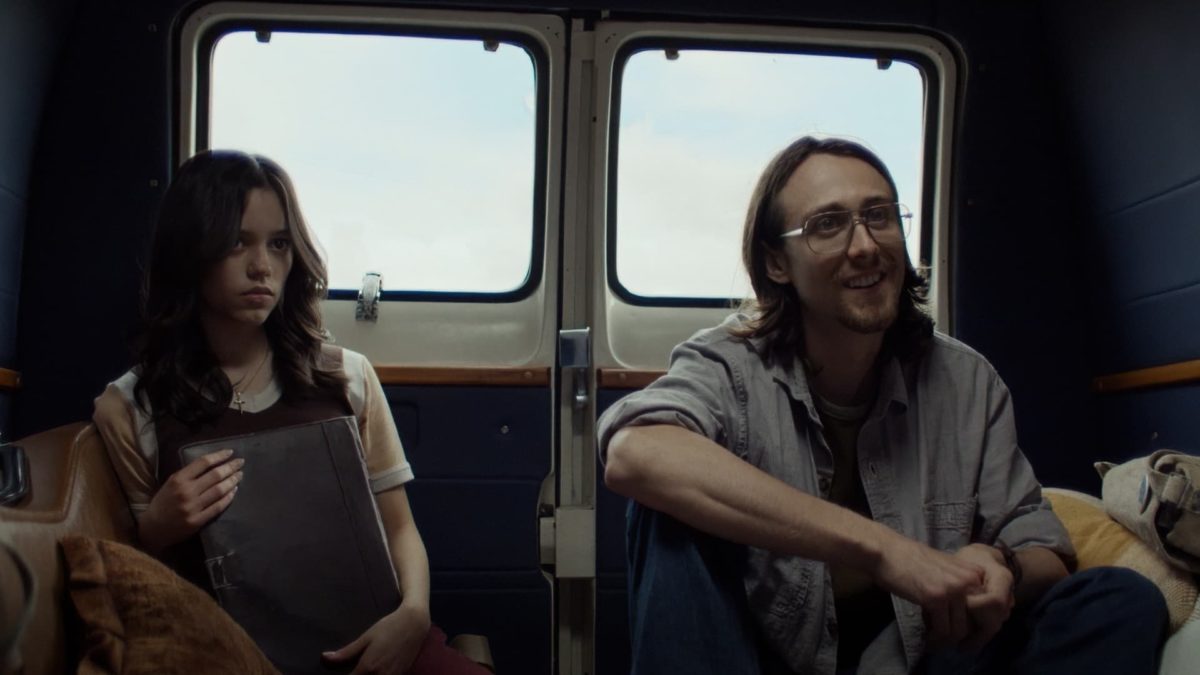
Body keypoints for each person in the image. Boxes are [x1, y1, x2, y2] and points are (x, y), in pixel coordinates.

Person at [598, 136, 1169, 674]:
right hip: (764, 659)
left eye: (879, 216)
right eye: (827, 225)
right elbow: (635, 453)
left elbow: (1041, 545)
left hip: (921, 657)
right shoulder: (731, 365)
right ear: (777, 263)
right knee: (664, 513)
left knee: (1120, 599)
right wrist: (885, 552)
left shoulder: (966, 380)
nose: (865, 246)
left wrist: (1003, 567)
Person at [92, 150, 488, 675]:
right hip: (233, 653)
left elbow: (399, 529)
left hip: (380, 634)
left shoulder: (348, 375)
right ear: (191, 252)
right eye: (237, 242)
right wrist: (157, 528)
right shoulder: (129, 405)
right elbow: (141, 588)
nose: (262, 267)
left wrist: (413, 617)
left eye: (279, 244)